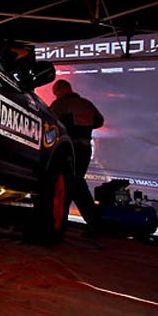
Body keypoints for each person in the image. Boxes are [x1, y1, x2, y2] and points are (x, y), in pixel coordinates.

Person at [49, 79, 105, 232]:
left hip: (68, 149)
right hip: (85, 150)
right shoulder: (87, 104)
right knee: (76, 183)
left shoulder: (60, 104)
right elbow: (99, 121)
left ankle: (63, 222)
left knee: (67, 184)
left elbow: (49, 120)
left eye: (56, 93)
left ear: (60, 91)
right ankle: (93, 222)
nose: (55, 96)